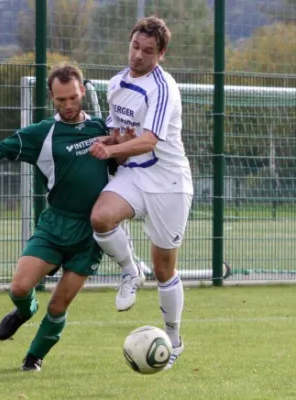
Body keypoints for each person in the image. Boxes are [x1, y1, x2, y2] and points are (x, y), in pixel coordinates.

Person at [0, 62, 136, 372]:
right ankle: (24, 311)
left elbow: (123, 165)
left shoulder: (103, 128)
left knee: (59, 304)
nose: (69, 105)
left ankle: (33, 358)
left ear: (83, 92)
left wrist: (122, 147)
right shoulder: (41, 133)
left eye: (73, 97)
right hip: (54, 224)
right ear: (51, 97)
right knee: (20, 288)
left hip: (89, 233)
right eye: (61, 100)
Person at [89, 16, 193, 370]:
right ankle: (131, 270)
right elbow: (122, 134)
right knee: (100, 218)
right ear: (129, 42)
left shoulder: (164, 88)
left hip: (168, 183)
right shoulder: (116, 82)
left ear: (161, 53)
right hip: (135, 173)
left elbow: (148, 140)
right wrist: (109, 139)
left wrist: (111, 151)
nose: (138, 56)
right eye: (135, 46)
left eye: (148, 51)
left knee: (165, 268)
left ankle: (174, 338)